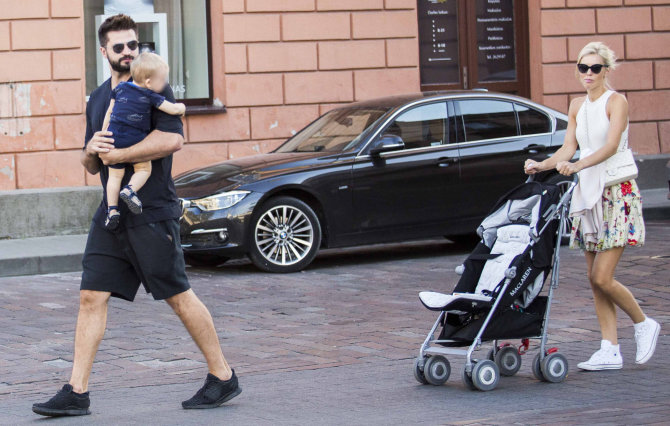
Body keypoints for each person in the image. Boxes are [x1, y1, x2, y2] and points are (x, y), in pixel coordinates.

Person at [32, 14, 241, 417]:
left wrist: (121, 156)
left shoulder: (152, 85)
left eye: (133, 45)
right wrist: (92, 149)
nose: (129, 52)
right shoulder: (97, 99)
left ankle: (222, 375)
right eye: (120, 47)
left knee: (178, 295)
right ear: (104, 52)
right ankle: (77, 391)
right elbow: (90, 164)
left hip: (151, 209)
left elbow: (173, 139)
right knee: (91, 295)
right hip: (112, 215)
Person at [524, 42, 660, 371]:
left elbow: (611, 146)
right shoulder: (576, 106)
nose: (588, 74)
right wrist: (542, 165)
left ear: (606, 71)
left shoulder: (617, 102)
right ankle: (609, 348)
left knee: (603, 276)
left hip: (616, 192)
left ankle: (644, 323)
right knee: (593, 277)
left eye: (595, 68)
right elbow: (568, 148)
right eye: (583, 68)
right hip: (589, 195)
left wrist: (579, 165)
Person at [102, 52, 186, 230]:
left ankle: (112, 211)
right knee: (143, 169)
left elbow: (109, 112)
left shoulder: (119, 88)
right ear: (148, 82)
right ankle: (130, 190)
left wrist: (104, 134)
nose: (164, 84)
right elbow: (170, 108)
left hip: (114, 136)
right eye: (162, 80)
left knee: (114, 177)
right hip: (134, 138)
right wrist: (181, 107)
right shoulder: (150, 95)